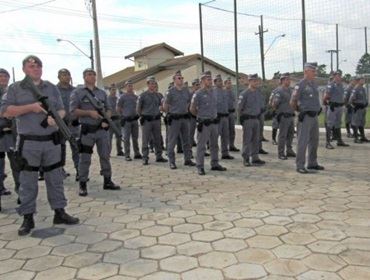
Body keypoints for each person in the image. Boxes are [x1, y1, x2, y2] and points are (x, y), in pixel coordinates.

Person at [1, 55, 79, 235]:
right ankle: (28, 217)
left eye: (38, 66)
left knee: (55, 179)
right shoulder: (15, 88)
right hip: (28, 142)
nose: (35, 69)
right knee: (28, 182)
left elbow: (61, 108)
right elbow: (5, 111)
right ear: (24, 70)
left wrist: (55, 117)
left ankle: (59, 212)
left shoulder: (51, 87)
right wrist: (31, 107)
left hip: (51, 141)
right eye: (31, 66)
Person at [70, 68, 120, 197]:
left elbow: (109, 109)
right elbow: (73, 111)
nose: (92, 76)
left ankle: (107, 180)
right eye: (89, 74)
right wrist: (89, 113)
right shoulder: (78, 93)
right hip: (87, 130)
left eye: (93, 74)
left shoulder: (102, 93)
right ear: (84, 77)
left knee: (105, 156)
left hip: (101, 130)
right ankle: (82, 183)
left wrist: (106, 119)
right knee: (85, 158)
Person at [290, 62, 324, 174]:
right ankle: (300, 165)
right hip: (305, 117)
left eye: (315, 71)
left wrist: (318, 108)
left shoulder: (314, 84)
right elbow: (293, 101)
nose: (315, 73)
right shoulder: (300, 85)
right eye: (313, 71)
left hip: (314, 116)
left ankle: (312, 163)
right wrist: (299, 111)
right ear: (306, 71)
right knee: (302, 141)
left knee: (314, 141)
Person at [190, 71, 226, 175]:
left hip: (214, 122)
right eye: (208, 79)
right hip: (204, 123)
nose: (210, 81)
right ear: (202, 81)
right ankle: (200, 166)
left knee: (214, 145)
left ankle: (215, 164)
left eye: (210, 79)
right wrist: (200, 117)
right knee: (201, 146)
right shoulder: (198, 94)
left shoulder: (214, 92)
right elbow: (192, 109)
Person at [163, 70, 195, 169]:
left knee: (186, 140)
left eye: (182, 78)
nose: (181, 80)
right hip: (175, 119)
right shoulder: (170, 92)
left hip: (184, 118)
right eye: (179, 78)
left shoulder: (186, 91)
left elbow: (190, 102)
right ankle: (172, 161)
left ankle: (187, 159)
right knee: (172, 141)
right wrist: (170, 114)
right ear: (174, 80)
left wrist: (186, 110)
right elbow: (165, 105)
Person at [137, 76, 167, 165]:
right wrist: (141, 117)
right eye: (151, 83)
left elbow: (162, 106)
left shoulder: (158, 95)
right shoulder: (142, 95)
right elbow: (138, 108)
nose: (153, 85)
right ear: (147, 84)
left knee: (158, 139)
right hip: (147, 120)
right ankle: (145, 157)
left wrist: (162, 108)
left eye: (154, 83)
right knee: (145, 139)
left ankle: (159, 156)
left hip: (156, 120)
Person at [56, 68, 80, 181]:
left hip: (73, 124)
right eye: (63, 75)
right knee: (60, 148)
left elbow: (79, 106)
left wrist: (77, 118)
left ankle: (79, 170)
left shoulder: (75, 91)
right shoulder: (54, 90)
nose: (66, 77)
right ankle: (60, 170)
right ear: (59, 77)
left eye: (68, 75)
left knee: (76, 147)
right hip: (60, 125)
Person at [238, 74, 266, 167]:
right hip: (248, 119)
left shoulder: (258, 93)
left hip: (256, 119)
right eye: (253, 81)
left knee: (256, 139)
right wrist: (242, 119)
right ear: (249, 82)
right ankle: (246, 157)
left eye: (256, 81)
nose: (256, 82)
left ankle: (255, 157)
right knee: (247, 139)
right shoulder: (244, 93)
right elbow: (239, 108)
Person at [0, 68, 20, 197]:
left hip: (12, 135)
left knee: (16, 164)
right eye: (1, 76)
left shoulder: (12, 93)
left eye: (5, 77)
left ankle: (20, 190)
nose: (3, 79)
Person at [271, 73, 296, 160]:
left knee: (290, 134)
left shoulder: (290, 90)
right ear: (282, 81)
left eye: (289, 79)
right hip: (283, 116)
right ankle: (281, 153)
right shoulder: (279, 91)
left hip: (290, 115)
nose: (289, 81)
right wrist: (277, 113)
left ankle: (289, 150)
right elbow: (274, 104)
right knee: (282, 135)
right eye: (286, 79)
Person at [323, 70, 349, 149]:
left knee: (338, 123)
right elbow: (326, 96)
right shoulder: (330, 85)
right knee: (330, 124)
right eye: (337, 76)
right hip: (333, 107)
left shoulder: (341, 85)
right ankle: (327, 142)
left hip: (340, 107)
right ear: (334, 77)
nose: (338, 77)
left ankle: (339, 140)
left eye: (339, 76)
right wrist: (329, 104)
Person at [116, 80, 142, 161]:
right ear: (125, 87)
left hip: (134, 120)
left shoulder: (136, 97)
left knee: (135, 138)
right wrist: (123, 116)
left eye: (131, 85)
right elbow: (118, 108)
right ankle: (127, 154)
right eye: (128, 85)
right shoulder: (122, 97)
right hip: (126, 120)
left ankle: (137, 153)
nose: (130, 87)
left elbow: (139, 107)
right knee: (126, 138)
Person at [214, 74, 234, 160]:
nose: (221, 82)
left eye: (221, 81)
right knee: (215, 136)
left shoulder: (225, 92)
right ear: (215, 82)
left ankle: (225, 153)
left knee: (225, 136)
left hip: (225, 116)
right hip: (217, 117)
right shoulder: (212, 92)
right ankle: (214, 154)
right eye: (219, 81)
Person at [349, 76, 369, 143]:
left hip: (363, 109)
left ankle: (362, 137)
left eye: (364, 80)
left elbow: (364, 98)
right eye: (362, 80)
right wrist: (355, 105)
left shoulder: (363, 88)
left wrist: (366, 103)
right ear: (358, 81)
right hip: (358, 109)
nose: (363, 81)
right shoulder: (356, 88)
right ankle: (356, 138)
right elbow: (351, 100)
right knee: (356, 123)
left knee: (362, 123)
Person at [107, 84, 124, 156]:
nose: (114, 91)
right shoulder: (107, 99)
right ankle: (108, 152)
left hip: (118, 119)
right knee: (109, 137)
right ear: (109, 90)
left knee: (119, 136)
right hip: (110, 120)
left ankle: (119, 151)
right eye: (112, 90)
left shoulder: (118, 99)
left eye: (115, 89)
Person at [225, 77, 239, 152]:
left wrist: (235, 112)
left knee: (232, 130)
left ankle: (231, 145)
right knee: (225, 131)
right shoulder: (223, 92)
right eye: (228, 83)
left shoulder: (232, 92)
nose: (230, 84)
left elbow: (235, 102)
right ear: (225, 84)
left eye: (230, 83)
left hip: (231, 113)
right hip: (225, 114)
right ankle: (225, 146)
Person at [189, 79, 200, 147]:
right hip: (192, 116)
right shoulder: (190, 94)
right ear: (193, 86)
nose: (198, 86)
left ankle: (202, 149)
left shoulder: (200, 93)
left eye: (199, 85)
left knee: (201, 134)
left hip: (200, 116)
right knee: (191, 133)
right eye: (196, 85)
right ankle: (189, 151)